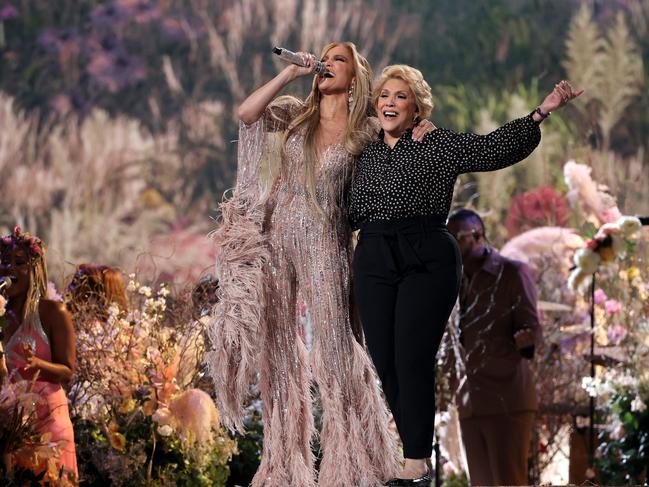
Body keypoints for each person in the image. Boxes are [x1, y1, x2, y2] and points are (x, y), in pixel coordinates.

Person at [349, 64, 580, 486]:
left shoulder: (435, 143)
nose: (390, 103)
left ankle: (416, 458)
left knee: (410, 357)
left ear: (417, 107)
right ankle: (407, 446)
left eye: (401, 96)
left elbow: (492, 148)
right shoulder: (362, 150)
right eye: (384, 95)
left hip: (426, 256)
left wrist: (540, 113)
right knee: (385, 363)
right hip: (374, 257)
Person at [446, 208, 541, 486]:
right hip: (470, 402)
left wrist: (526, 338)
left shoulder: (512, 272)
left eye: (457, 237)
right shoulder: (453, 281)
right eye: (447, 238)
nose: (451, 244)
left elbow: (532, 328)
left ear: (478, 236)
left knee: (509, 482)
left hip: (507, 399)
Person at [0, 227, 78, 483]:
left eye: (18, 263)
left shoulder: (53, 312)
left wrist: (38, 364)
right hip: (8, 426)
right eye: (2, 263)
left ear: (34, 268)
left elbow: (67, 371)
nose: (8, 270)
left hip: (49, 422)